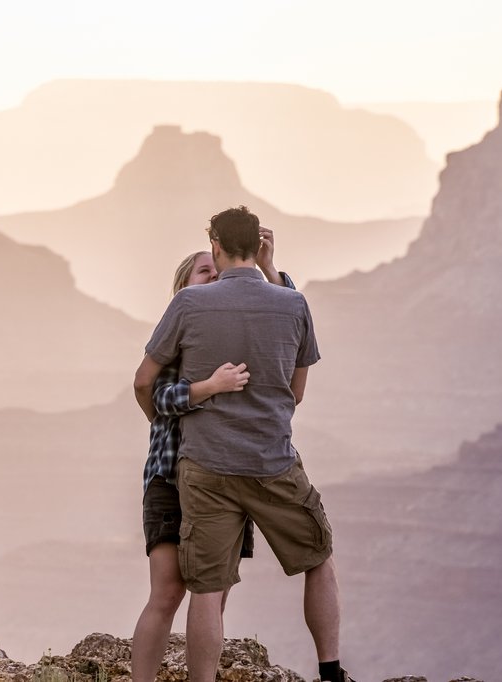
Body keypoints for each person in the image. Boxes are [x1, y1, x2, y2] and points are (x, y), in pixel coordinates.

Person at [133, 206, 353, 682]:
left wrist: (171, 420)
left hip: (204, 466)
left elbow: (143, 381)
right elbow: (296, 392)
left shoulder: (189, 307)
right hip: (270, 461)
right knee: (318, 555)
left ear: (215, 244)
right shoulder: (292, 304)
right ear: (258, 245)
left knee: (207, 589)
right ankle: (331, 671)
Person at [131, 228, 295, 682]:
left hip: (223, 477)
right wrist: (207, 389)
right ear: (183, 288)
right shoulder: (179, 330)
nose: (217, 276)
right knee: (166, 593)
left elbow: (289, 317)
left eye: (218, 268)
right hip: (170, 477)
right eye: (206, 272)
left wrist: (267, 267)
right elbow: (153, 392)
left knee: (212, 597)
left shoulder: (226, 333)